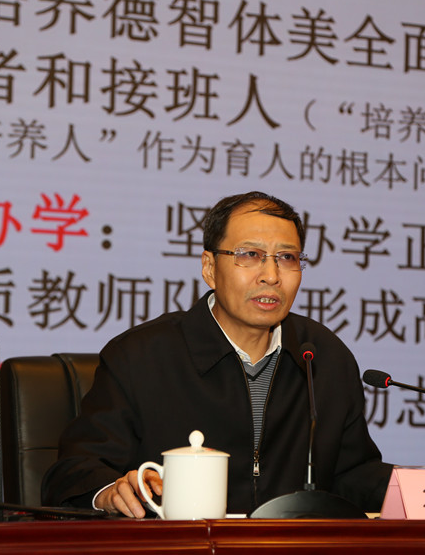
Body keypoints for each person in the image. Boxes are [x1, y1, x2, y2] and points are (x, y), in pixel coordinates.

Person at [42, 191, 392, 517]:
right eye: (250, 255)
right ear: (209, 267)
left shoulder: (323, 356)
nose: (271, 276)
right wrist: (108, 491)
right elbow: (75, 470)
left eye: (287, 258)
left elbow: (352, 474)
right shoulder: (141, 357)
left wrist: (419, 488)